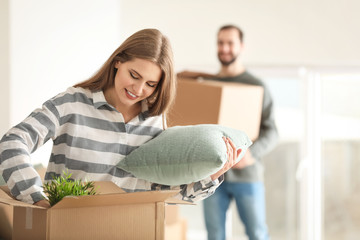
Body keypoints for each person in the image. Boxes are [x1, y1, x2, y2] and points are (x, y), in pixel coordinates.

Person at [0, 28, 241, 208]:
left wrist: (211, 177)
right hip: (66, 227)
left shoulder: (154, 121)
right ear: (118, 62)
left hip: (127, 228)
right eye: (133, 75)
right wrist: (36, 198)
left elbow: (161, 192)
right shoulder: (72, 103)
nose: (138, 89)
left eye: (150, 84)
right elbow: (11, 143)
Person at [178, 25, 279, 240]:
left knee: (257, 233)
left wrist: (250, 154)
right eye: (220, 43)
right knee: (214, 235)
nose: (225, 48)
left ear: (241, 46)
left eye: (230, 43)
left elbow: (272, 131)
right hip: (213, 175)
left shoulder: (256, 85)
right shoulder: (207, 86)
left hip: (247, 175)